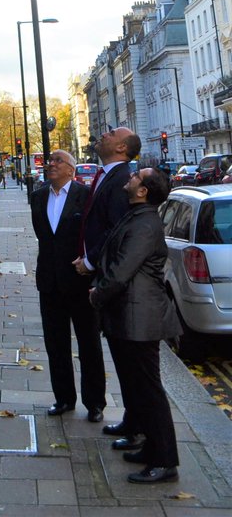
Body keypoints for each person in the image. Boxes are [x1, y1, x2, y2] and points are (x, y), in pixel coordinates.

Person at [89, 167, 181, 484]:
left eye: (136, 177)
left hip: (140, 317)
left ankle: (165, 461)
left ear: (143, 191)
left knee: (149, 391)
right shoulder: (137, 216)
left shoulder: (145, 224)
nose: (130, 178)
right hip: (128, 314)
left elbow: (122, 269)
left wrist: (97, 294)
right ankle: (150, 446)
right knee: (137, 387)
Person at [71, 125, 141, 447]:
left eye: (112, 133)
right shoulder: (106, 175)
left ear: (122, 148)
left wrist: (90, 261)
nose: (104, 134)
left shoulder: (123, 179)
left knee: (131, 363)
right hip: (103, 278)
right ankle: (132, 420)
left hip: (115, 283)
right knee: (121, 359)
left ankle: (139, 429)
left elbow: (116, 231)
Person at [30, 151, 106, 422]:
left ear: (71, 169)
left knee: (89, 344)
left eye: (58, 161)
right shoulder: (38, 196)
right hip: (49, 282)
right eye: (50, 161)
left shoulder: (85, 196)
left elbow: (97, 234)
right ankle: (63, 398)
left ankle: (95, 403)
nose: (51, 164)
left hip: (79, 281)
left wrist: (89, 264)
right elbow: (43, 237)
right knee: (55, 344)